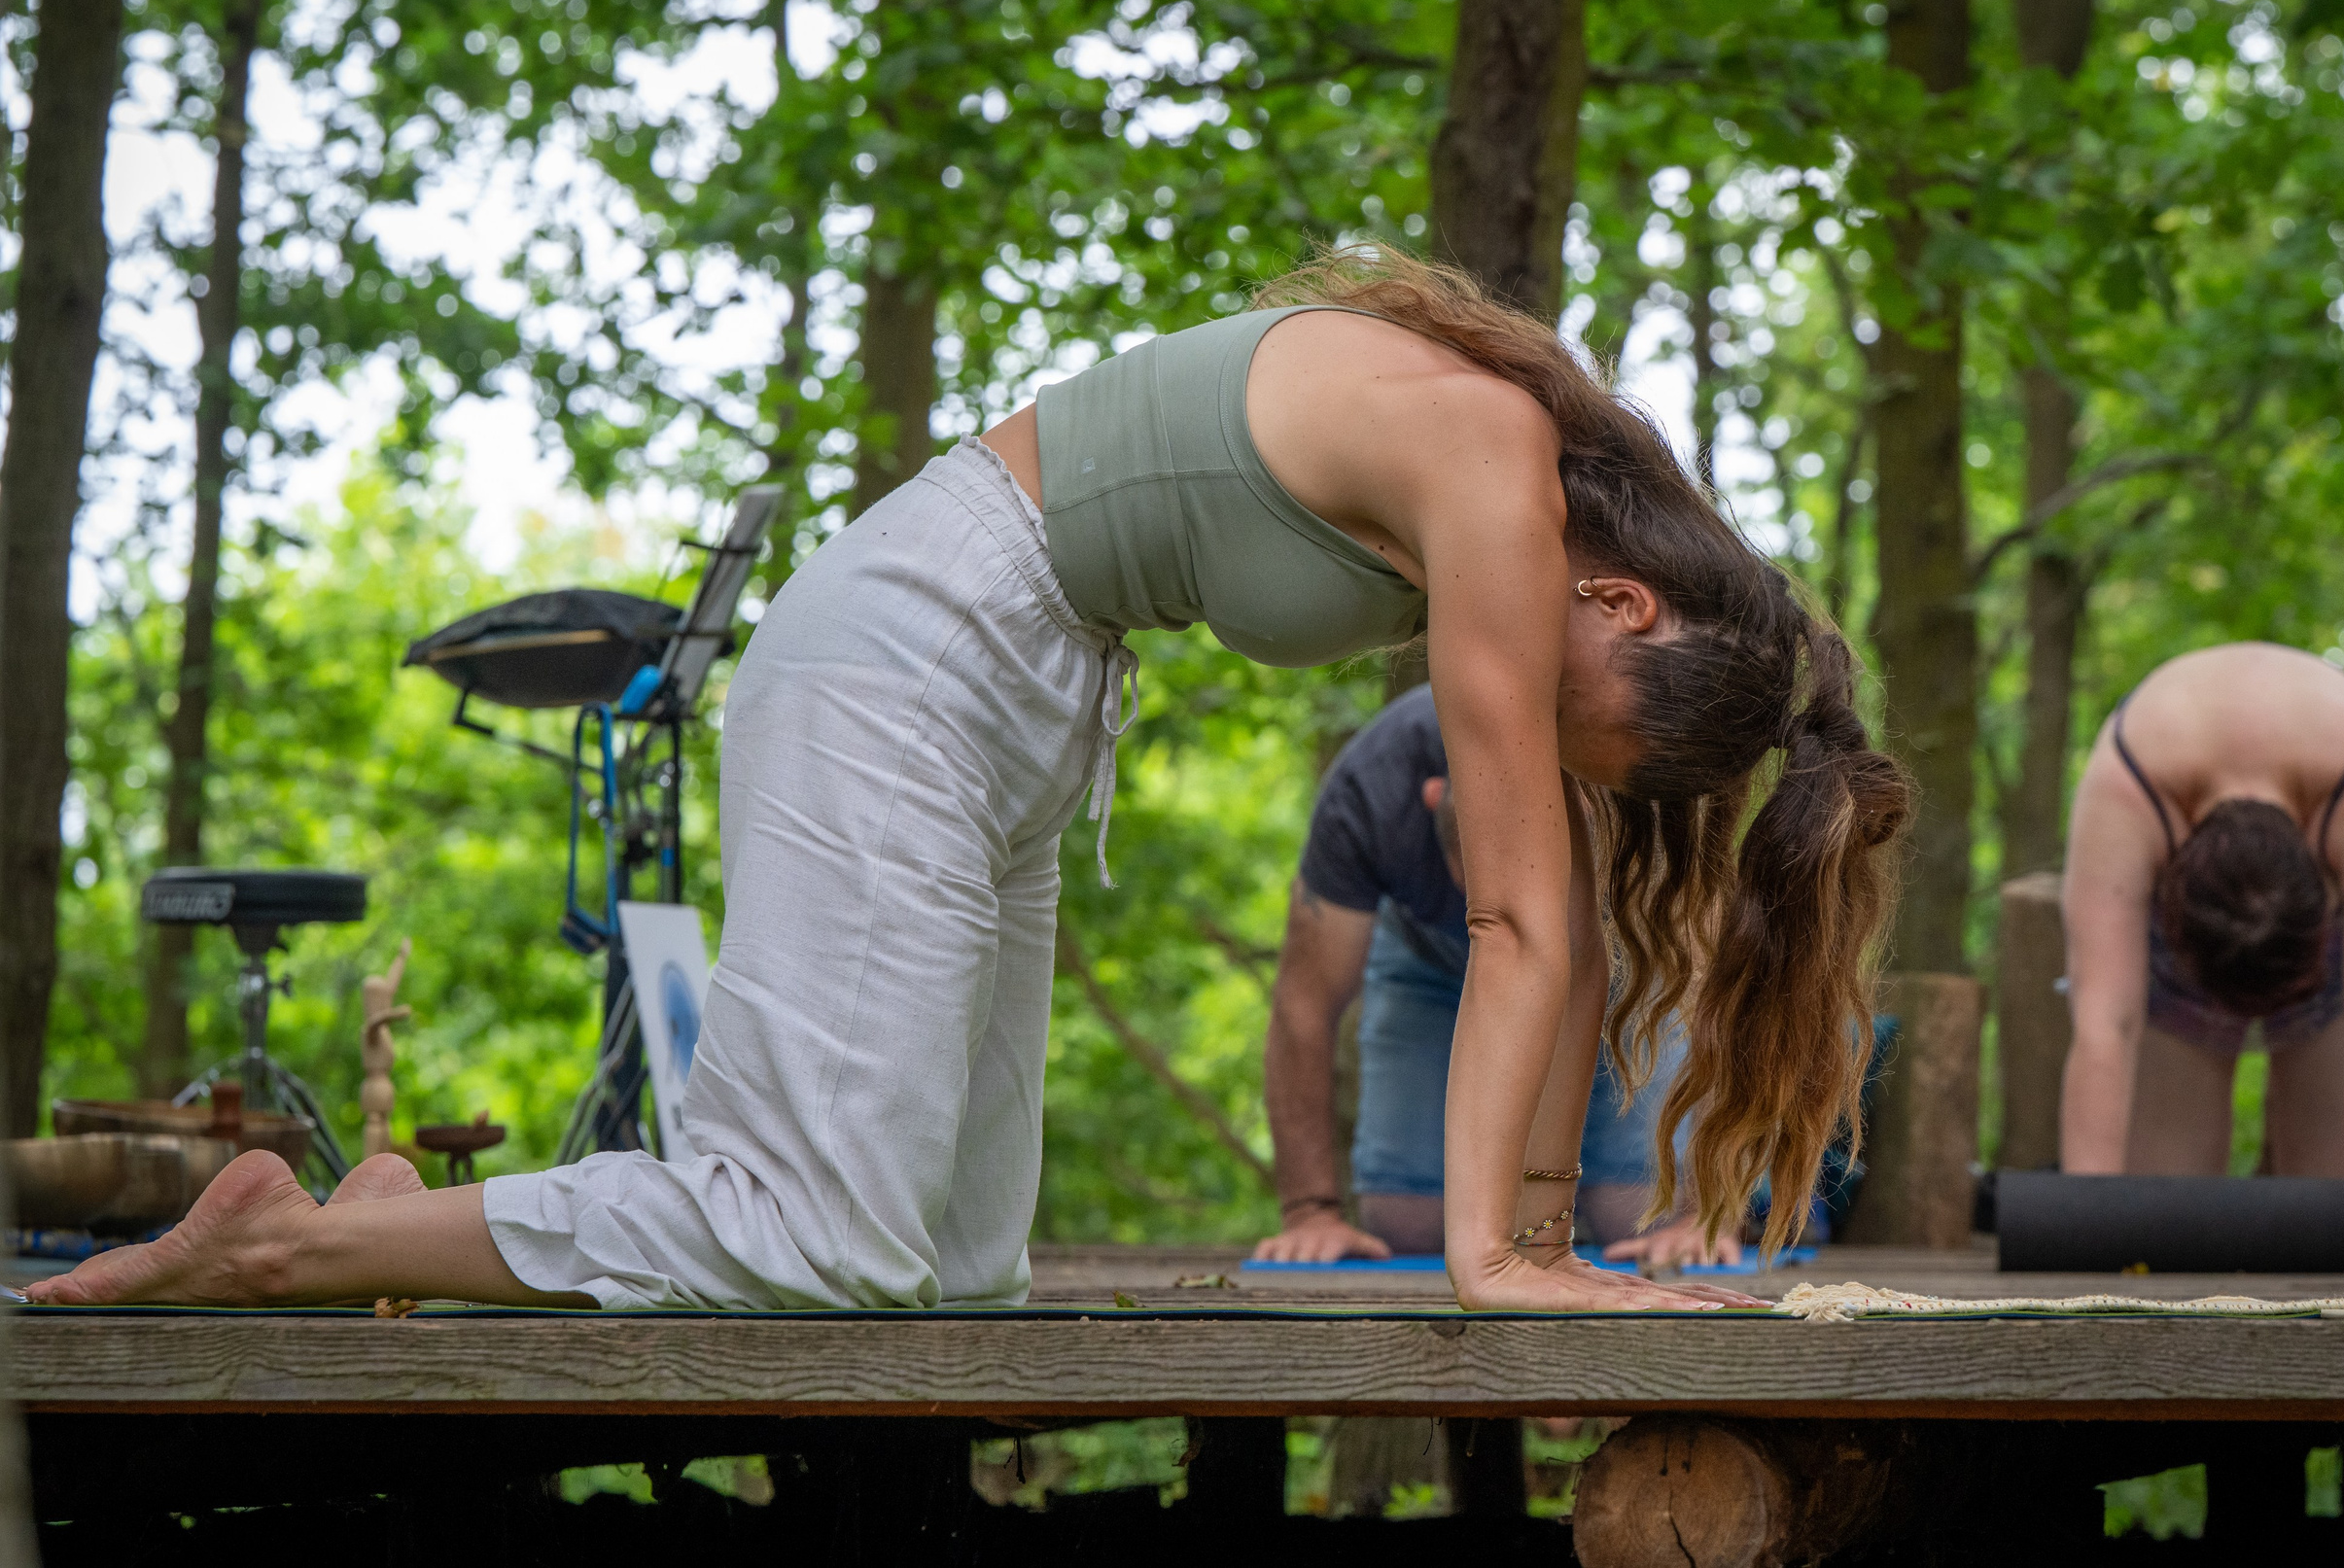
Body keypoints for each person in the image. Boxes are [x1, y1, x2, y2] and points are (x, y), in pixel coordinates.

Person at [31, 249, 1907, 1316]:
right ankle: (295, 1234)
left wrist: (1546, 1245)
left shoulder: (1532, 518)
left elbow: (1561, 921)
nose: (1541, 761)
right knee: (819, 1233)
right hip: (911, 648)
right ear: (1619, 599)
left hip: (1024, 699)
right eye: (1591, 735)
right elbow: (1515, 917)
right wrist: (1500, 1269)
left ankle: (372, 1205)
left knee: (949, 1271)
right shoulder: (1494, 456)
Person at [1250, 686, 1737, 1270]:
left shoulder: (1636, 780)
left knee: (1641, 1217)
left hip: (1624, 956)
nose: (1505, 911)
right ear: (1433, 801)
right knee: (1409, 1223)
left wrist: (1709, 1211)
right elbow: (1304, 1006)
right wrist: (1310, 1211)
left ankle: (1783, 1184)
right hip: (1430, 964)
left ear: (1582, 819)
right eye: (1483, 889)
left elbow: (1713, 985)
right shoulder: (1369, 796)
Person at [2058, 643, 2344, 1178]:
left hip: (2327, 903)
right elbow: (2103, 1021)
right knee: (2162, 1209)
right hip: (2188, 912)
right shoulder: (2127, 790)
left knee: (2337, 1211)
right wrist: (2081, 1223)